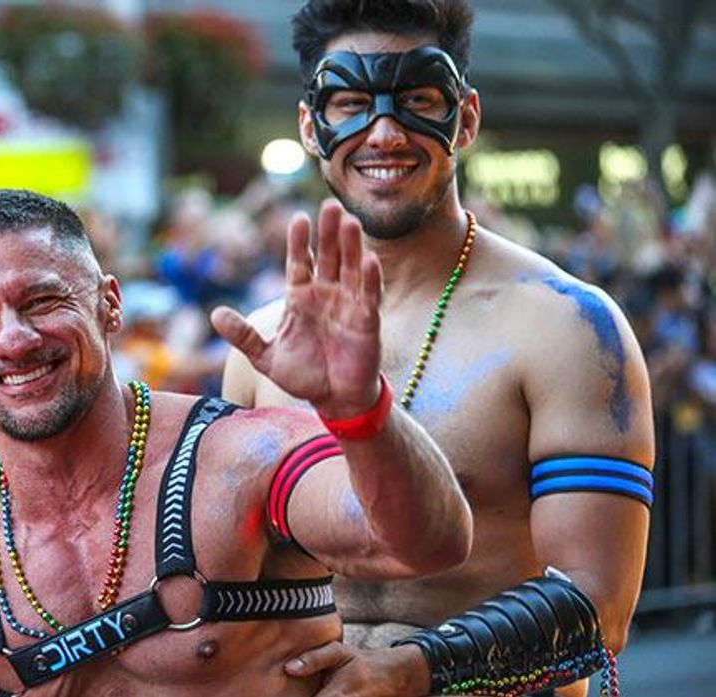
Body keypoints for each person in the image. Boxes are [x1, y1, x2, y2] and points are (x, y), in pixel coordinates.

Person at [0, 188, 472, 696]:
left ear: (109, 305)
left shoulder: (243, 460)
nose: (13, 340)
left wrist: (361, 412)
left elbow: (429, 543)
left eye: (42, 301)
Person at [222, 2, 655, 695]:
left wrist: (408, 671)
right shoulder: (263, 346)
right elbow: (236, 585)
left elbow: (599, 605)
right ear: (310, 126)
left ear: (466, 118)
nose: (384, 133)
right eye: (350, 104)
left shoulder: (566, 326)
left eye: (419, 100)